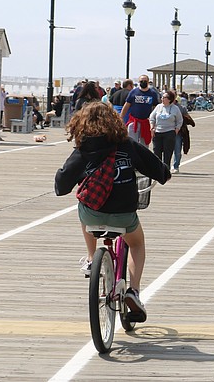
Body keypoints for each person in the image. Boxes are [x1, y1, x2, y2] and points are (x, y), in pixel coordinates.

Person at [55, 101, 171, 322]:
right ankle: (133, 290)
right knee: (136, 243)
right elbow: (159, 170)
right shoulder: (127, 146)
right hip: (124, 214)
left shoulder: (83, 150)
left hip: (93, 215)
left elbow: (62, 184)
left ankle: (91, 258)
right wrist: (164, 174)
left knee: (84, 204)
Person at [120, 75, 160, 147]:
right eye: (141, 81)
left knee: (144, 145)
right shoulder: (133, 92)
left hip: (146, 122)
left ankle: (143, 158)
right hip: (134, 121)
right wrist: (120, 118)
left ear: (148, 82)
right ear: (139, 82)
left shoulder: (152, 93)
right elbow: (126, 106)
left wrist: (155, 122)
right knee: (132, 143)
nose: (143, 82)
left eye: (145, 81)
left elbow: (156, 108)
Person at [149, 90, 183, 169]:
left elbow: (179, 120)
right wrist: (152, 128)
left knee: (167, 153)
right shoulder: (158, 107)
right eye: (162, 97)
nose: (162, 99)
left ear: (170, 99)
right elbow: (152, 118)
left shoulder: (175, 108)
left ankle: (166, 170)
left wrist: (176, 130)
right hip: (158, 132)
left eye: (164, 97)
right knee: (157, 152)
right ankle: (158, 170)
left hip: (169, 133)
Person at [171, 91, 195, 174]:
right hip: (165, 131)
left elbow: (188, 117)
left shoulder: (181, 108)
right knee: (165, 150)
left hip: (178, 131)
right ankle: (165, 166)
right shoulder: (162, 106)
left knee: (177, 150)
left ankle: (176, 166)